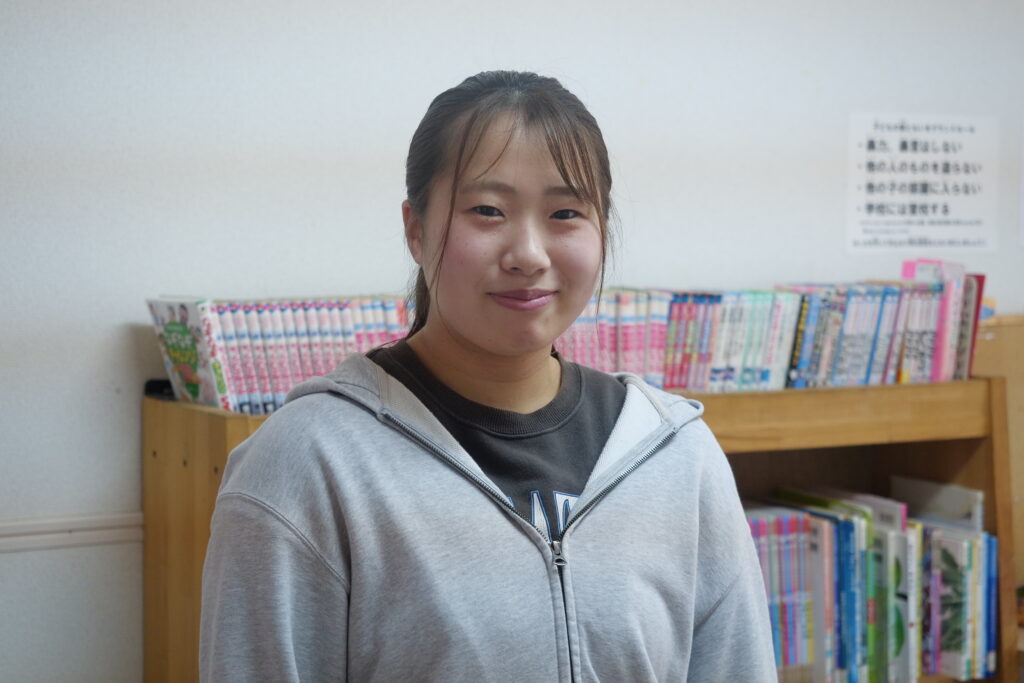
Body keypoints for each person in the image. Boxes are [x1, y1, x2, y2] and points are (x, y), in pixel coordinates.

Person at [200, 70, 776, 682]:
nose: (528, 254)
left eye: (565, 213)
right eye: (488, 210)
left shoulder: (678, 457)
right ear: (416, 229)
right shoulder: (307, 464)